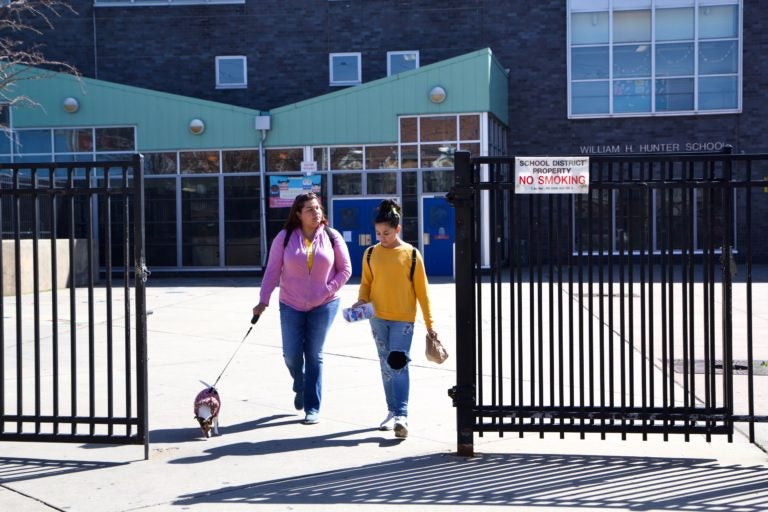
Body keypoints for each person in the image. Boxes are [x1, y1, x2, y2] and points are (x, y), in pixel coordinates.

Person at [253, 192, 351, 424]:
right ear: (298, 213)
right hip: (291, 303)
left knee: (315, 355)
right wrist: (263, 300)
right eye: (309, 209)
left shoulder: (331, 236)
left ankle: (312, 407)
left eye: (317, 208)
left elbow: (345, 269)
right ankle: (300, 382)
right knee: (291, 354)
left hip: (325, 304)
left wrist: (327, 289)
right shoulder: (285, 237)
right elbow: (272, 270)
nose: (316, 213)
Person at [350, 199, 436, 439]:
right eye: (378, 233)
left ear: (398, 229)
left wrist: (430, 325)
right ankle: (391, 411)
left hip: (403, 320)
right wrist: (360, 300)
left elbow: (423, 292)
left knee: (398, 363)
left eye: (386, 233)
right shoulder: (370, 254)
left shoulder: (411, 255)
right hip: (376, 318)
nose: (381, 237)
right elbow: (366, 284)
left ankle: (402, 415)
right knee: (386, 366)